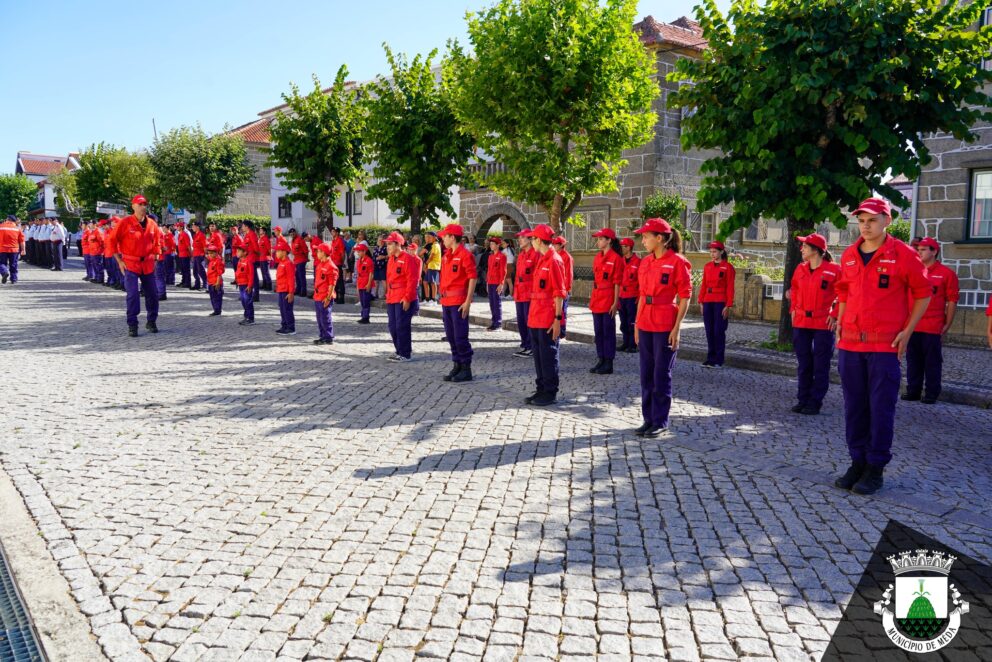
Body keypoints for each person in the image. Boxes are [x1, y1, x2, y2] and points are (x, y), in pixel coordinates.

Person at [833, 197, 931, 496]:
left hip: (884, 347)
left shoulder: (903, 255)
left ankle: (875, 469)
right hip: (851, 344)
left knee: (880, 409)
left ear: (887, 221)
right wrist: (839, 321)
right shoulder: (849, 255)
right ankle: (857, 462)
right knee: (854, 408)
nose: (866, 225)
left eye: (872, 220)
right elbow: (845, 291)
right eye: (862, 220)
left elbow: (923, 293)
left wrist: (908, 330)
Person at [633, 218, 692, 438]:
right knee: (646, 374)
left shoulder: (678, 262)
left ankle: (660, 421)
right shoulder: (646, 262)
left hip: (666, 321)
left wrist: (677, 328)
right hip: (646, 321)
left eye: (646, 236)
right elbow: (641, 295)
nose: (643, 240)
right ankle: (648, 419)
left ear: (660, 238)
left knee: (661, 374)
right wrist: (637, 324)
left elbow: (685, 297)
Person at [902, 237, 959, 404]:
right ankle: (913, 390)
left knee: (932, 362)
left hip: (932, 326)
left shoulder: (947, 274)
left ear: (934, 251)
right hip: (912, 325)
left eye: (923, 250)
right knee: (913, 360)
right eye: (918, 250)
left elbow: (952, 301)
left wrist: (947, 324)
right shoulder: (913, 272)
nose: (919, 252)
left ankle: (932, 393)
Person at [788, 233, 840, 415]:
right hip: (802, 321)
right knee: (804, 363)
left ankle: (815, 401)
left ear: (816, 250)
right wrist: (793, 310)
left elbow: (845, 294)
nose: (801, 249)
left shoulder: (834, 270)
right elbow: (793, 289)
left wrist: (835, 314)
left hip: (822, 323)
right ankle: (803, 399)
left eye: (805, 246)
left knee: (820, 364)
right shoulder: (800, 269)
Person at [524, 225, 566, 407]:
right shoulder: (542, 259)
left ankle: (550, 392)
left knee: (548, 355)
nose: (531, 241)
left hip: (548, 316)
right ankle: (541, 388)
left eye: (532, 238)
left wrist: (558, 319)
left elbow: (559, 293)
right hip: (536, 315)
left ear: (539, 240)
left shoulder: (554, 260)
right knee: (539, 356)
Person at [112, 195, 163, 337]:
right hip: (131, 264)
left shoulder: (152, 224)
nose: (143, 207)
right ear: (133, 206)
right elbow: (111, 241)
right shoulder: (125, 223)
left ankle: (151, 321)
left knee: (153, 294)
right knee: (133, 294)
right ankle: (132, 324)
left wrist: (157, 256)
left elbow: (158, 241)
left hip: (147, 264)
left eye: (145, 204)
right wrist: (119, 261)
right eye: (140, 204)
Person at [437, 224, 478, 383]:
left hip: (459, 301)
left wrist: (468, 301)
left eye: (445, 236)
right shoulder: (446, 255)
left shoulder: (465, 255)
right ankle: (457, 364)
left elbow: (472, 278)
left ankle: (466, 368)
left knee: (460, 336)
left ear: (452, 237)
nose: (443, 239)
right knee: (451, 335)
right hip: (446, 301)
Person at [589, 229, 624, 374]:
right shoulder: (597, 257)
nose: (598, 241)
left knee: (608, 331)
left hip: (609, 296)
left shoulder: (616, 258)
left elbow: (617, 283)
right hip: (597, 297)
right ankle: (601, 359)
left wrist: (615, 302)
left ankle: (608, 362)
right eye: (598, 239)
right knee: (598, 331)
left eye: (601, 239)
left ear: (609, 240)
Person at [384, 231, 422, 362]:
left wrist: (407, 298)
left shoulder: (408, 259)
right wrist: (387, 295)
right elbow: (389, 279)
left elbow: (412, 280)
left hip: (402, 296)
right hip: (392, 296)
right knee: (392, 326)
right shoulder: (391, 259)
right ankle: (398, 350)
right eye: (387, 244)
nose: (387, 247)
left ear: (397, 244)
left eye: (389, 244)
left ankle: (405, 353)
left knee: (402, 325)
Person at [699, 241, 736, 368]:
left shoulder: (728, 267)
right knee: (709, 331)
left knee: (718, 331)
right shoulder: (707, 266)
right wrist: (701, 301)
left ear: (721, 252)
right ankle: (710, 358)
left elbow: (730, 287)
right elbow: (703, 284)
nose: (712, 254)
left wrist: (728, 305)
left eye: (714, 252)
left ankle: (719, 359)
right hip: (708, 300)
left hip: (720, 301)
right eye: (710, 252)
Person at [513, 230, 538, 357]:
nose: (520, 240)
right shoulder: (521, 254)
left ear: (529, 239)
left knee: (529, 321)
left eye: (522, 237)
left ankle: (532, 346)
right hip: (520, 292)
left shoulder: (535, 254)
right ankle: (525, 344)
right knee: (521, 320)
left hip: (529, 292)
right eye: (519, 237)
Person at [311, 243, 339, 344]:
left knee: (325, 317)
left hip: (325, 296)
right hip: (318, 296)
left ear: (324, 253)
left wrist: (328, 298)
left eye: (318, 251)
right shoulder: (320, 264)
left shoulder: (331, 266)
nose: (316, 253)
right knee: (319, 318)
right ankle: (322, 335)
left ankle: (328, 337)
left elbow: (332, 284)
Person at [618, 237, 640, 353]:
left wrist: (639, 297)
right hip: (622, 295)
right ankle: (625, 342)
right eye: (621, 246)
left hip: (632, 295)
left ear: (629, 247)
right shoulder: (620, 261)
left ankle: (633, 344)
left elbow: (641, 282)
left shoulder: (638, 262)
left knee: (632, 321)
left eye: (624, 246)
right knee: (623, 321)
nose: (622, 248)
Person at [551, 236, 573, 339]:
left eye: (556, 244)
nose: (554, 246)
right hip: (556, 288)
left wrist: (567, 289)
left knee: (562, 311)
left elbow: (569, 274)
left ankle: (562, 331)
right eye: (553, 244)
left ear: (561, 245)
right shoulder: (555, 255)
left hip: (563, 289)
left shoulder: (566, 257)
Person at [273, 237, 296, 335]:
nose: (276, 253)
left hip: (286, 291)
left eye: (278, 251)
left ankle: (291, 328)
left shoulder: (288, 263)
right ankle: (284, 325)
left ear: (284, 252)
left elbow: (291, 279)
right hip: (281, 290)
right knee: (282, 309)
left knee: (287, 309)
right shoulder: (281, 263)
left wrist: (291, 293)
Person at [485, 236, 507, 331]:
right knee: (492, 303)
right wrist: (487, 282)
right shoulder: (490, 256)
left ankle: (498, 323)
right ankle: (493, 322)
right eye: (490, 244)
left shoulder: (502, 256)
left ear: (498, 245)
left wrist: (501, 283)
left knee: (497, 303)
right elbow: (489, 270)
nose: (491, 245)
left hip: (497, 283)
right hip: (490, 282)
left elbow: (503, 271)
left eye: (493, 244)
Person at [0, 215, 25, 284]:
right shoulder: (18, 229)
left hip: (2, 249)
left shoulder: (1, 227)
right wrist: (23, 250)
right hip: (14, 249)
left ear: (8, 219)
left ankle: (4, 272)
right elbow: (22, 241)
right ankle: (13, 279)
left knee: (1, 263)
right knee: (13, 264)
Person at [235, 244, 256, 326]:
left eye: (239, 251)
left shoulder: (248, 261)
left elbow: (251, 274)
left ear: (245, 252)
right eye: (237, 251)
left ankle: (250, 318)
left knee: (248, 301)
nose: (237, 252)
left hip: (246, 285)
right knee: (244, 302)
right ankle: (246, 316)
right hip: (241, 284)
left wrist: (250, 285)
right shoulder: (240, 261)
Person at [354, 244, 374, 324]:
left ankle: (366, 317)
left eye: (359, 251)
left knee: (366, 301)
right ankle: (363, 316)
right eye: (357, 251)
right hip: (361, 282)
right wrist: (357, 286)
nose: (358, 253)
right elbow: (358, 274)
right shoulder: (359, 261)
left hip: (366, 283)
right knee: (362, 301)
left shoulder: (369, 260)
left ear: (364, 251)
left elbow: (371, 273)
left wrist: (369, 284)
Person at [241, 221, 260, 302]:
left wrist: (256, 256)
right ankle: (249, 294)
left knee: (254, 277)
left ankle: (256, 295)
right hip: (247, 258)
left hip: (252, 258)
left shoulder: (252, 234)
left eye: (243, 226)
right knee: (249, 277)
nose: (242, 227)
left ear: (247, 227)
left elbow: (256, 248)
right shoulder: (247, 235)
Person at [205, 240, 225, 316]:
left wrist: (217, 283)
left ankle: (217, 310)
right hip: (210, 282)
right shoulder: (211, 260)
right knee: (212, 298)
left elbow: (219, 273)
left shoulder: (218, 261)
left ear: (216, 253)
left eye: (211, 253)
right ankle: (215, 309)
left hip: (216, 283)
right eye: (209, 253)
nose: (209, 255)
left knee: (217, 297)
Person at [289, 229, 309, 298]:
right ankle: (298, 289)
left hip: (301, 260)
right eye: (291, 234)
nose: (292, 234)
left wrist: (306, 259)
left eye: (293, 233)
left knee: (301, 276)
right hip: (296, 261)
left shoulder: (300, 239)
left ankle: (303, 291)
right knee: (297, 276)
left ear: (295, 233)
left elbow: (306, 250)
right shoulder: (292, 241)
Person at [423, 232, 442, 304]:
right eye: (428, 237)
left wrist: (426, 263)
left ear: (434, 237)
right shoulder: (433, 245)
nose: (428, 238)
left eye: (430, 237)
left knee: (432, 282)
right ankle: (427, 299)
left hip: (434, 266)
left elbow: (432, 256)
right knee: (425, 282)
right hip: (430, 266)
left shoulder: (436, 245)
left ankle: (434, 300)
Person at [330, 227, 347, 303]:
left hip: (338, 263)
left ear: (337, 233)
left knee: (340, 281)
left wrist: (342, 262)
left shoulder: (340, 241)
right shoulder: (333, 241)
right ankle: (336, 296)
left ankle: (341, 297)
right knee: (335, 281)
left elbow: (342, 253)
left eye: (333, 231)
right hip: (333, 263)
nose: (332, 233)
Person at [191, 222, 207, 290]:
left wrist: (205, 255)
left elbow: (205, 247)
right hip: (195, 255)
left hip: (200, 255)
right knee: (195, 271)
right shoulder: (195, 235)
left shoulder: (201, 235)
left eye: (193, 226)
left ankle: (205, 284)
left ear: (197, 227)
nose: (192, 227)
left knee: (201, 271)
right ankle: (197, 284)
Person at [176, 222, 192, 287]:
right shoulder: (180, 234)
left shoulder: (185, 234)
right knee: (182, 269)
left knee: (186, 269)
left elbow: (188, 245)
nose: (177, 227)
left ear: (181, 227)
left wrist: (191, 254)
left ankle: (187, 283)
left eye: (178, 226)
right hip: (181, 255)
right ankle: (183, 281)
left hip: (185, 255)